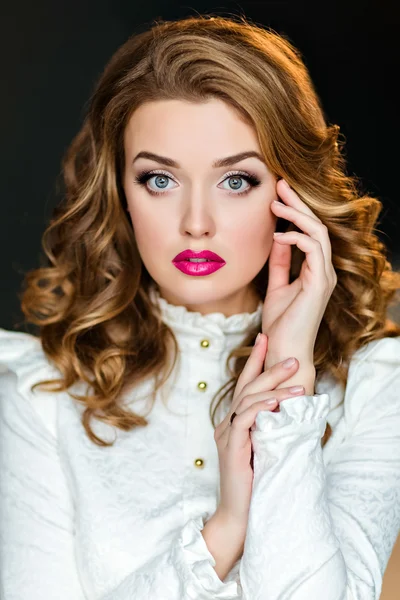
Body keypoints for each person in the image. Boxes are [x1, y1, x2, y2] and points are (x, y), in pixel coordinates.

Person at [1, 13, 400, 600]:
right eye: (159, 180)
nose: (195, 224)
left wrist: (288, 384)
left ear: (291, 194)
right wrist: (226, 529)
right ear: (120, 192)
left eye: (235, 181)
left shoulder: (375, 388)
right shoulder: (40, 398)